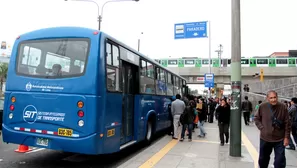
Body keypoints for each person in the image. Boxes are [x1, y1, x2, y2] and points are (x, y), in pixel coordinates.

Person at [254, 90, 291, 168]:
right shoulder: (262, 106)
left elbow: (287, 123)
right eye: (271, 98)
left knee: (279, 161)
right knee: (263, 160)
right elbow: (256, 118)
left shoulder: (283, 106)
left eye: (275, 97)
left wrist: (286, 137)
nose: (273, 99)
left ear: (277, 97)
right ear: (267, 98)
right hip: (265, 138)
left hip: (279, 139)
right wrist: (262, 128)